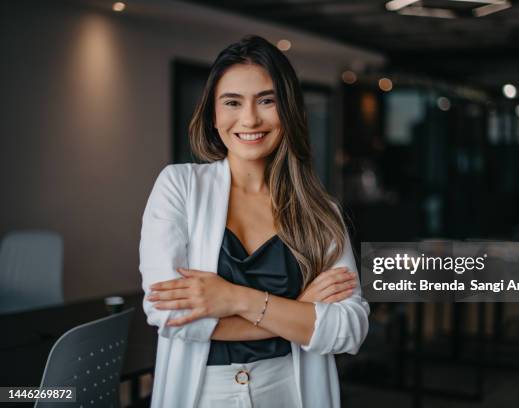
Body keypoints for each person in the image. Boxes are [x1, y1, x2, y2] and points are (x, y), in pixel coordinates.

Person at [139, 35, 369, 408]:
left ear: (289, 111)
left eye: (267, 100)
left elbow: (349, 329)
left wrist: (234, 298)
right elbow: (170, 316)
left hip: (291, 391)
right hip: (203, 394)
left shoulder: (319, 209)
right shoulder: (179, 186)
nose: (249, 119)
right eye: (232, 102)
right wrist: (297, 310)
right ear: (214, 115)